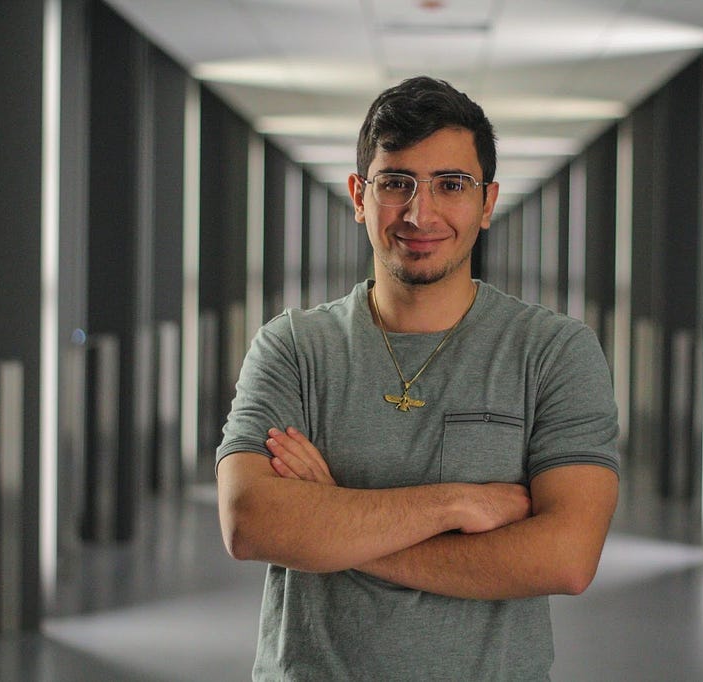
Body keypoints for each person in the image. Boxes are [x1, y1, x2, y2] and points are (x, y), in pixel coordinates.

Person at [216, 75, 620, 681]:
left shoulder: (553, 352)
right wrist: (456, 503)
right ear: (359, 195)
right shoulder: (295, 346)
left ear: (487, 203)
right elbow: (250, 522)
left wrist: (333, 521)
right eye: (395, 182)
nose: (419, 211)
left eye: (450, 185)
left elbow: (566, 558)